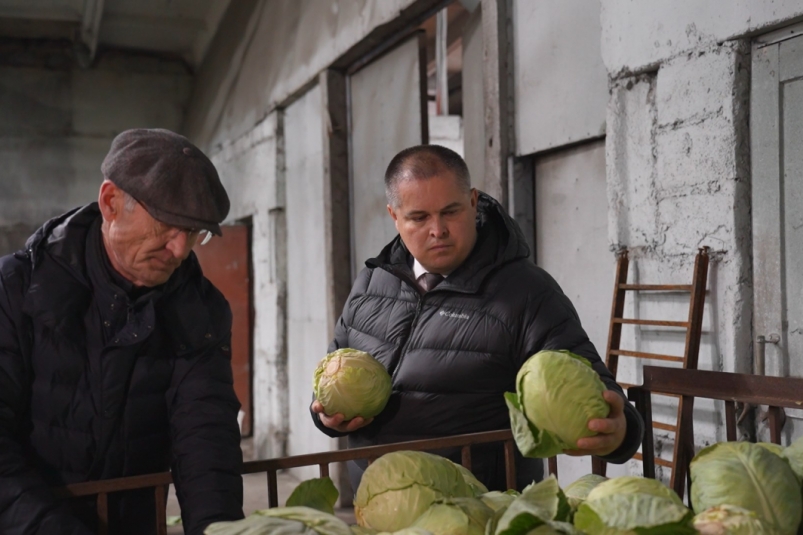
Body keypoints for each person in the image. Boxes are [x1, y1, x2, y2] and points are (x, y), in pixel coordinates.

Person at [311, 144, 643, 491]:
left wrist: (621, 431)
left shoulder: (525, 291)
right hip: (380, 508)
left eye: (450, 211)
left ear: (472, 201)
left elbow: (593, 382)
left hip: (479, 511)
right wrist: (326, 417)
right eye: (419, 217)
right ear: (394, 216)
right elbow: (333, 373)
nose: (438, 230)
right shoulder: (370, 284)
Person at [0, 129, 244, 534]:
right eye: (168, 225)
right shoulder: (17, 289)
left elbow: (205, 435)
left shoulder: (200, 310)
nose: (180, 250)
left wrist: (217, 528)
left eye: (195, 233)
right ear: (112, 203)